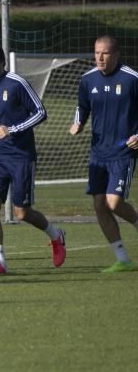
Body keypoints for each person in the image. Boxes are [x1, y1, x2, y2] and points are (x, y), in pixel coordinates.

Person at [0, 42, 65, 275]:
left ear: (2, 63)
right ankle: (0, 262)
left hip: (22, 156)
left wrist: (13, 129)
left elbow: (40, 113)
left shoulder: (17, 83)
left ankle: (56, 236)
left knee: (22, 212)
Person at [69, 35, 138, 273]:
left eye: (105, 53)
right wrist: (78, 123)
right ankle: (122, 259)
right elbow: (82, 107)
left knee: (113, 202)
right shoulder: (88, 79)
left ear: (116, 55)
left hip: (123, 151)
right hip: (98, 153)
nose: (99, 57)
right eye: (96, 52)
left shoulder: (132, 78)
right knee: (99, 205)